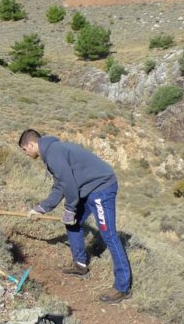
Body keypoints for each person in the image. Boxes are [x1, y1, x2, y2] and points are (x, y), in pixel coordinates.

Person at [18, 128, 132, 304]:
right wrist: (42, 208)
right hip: (87, 189)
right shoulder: (51, 152)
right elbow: (60, 185)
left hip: (101, 188)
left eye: (24, 150)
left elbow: (69, 185)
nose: (26, 154)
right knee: (73, 223)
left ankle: (122, 288)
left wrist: (70, 209)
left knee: (109, 235)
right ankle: (80, 264)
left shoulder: (54, 153)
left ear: (31, 144)